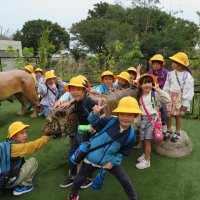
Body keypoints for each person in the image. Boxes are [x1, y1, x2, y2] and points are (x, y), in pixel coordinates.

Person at [67, 96, 142, 200]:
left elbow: (123, 153)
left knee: (125, 180)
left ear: (135, 117)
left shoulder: (131, 136)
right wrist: (94, 114)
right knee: (79, 178)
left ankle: (133, 197)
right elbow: (94, 123)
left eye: (130, 115)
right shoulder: (109, 121)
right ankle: (73, 194)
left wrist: (113, 162)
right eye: (122, 114)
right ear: (118, 114)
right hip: (91, 158)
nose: (125, 117)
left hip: (109, 161)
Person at [60, 76, 97, 189]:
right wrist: (70, 102)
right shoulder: (77, 100)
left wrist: (89, 128)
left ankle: (88, 178)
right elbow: (76, 100)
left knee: (85, 157)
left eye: (78, 89)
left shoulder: (89, 102)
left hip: (88, 133)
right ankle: (73, 176)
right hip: (80, 131)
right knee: (72, 154)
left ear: (84, 90)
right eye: (72, 89)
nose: (75, 92)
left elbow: (100, 117)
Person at [5, 121, 51, 195]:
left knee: (24, 161)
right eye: (22, 133)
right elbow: (34, 146)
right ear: (13, 136)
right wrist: (48, 137)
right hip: (8, 182)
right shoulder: (17, 148)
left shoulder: (7, 143)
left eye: (26, 132)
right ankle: (24, 186)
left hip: (4, 177)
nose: (25, 135)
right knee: (33, 161)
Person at [136, 74, 171, 169]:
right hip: (143, 120)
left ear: (152, 83)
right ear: (140, 85)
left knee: (147, 140)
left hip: (152, 120)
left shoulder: (155, 94)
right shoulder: (140, 96)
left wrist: (159, 91)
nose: (147, 84)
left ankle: (147, 160)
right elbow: (140, 110)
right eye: (144, 83)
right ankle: (146, 154)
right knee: (143, 139)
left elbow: (167, 100)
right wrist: (138, 122)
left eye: (149, 82)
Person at [163, 52, 194, 142]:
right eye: (173, 61)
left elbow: (189, 91)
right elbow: (167, 86)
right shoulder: (170, 74)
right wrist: (164, 96)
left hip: (179, 98)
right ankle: (168, 129)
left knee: (178, 116)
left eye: (175, 62)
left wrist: (185, 104)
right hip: (169, 97)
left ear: (182, 65)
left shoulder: (187, 76)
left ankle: (177, 132)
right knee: (168, 115)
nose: (173, 63)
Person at [148, 54, 169, 133]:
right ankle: (153, 123)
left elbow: (168, 81)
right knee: (153, 106)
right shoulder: (150, 72)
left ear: (161, 65)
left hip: (161, 91)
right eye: (154, 64)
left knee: (163, 107)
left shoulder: (165, 72)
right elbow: (146, 78)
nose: (155, 66)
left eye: (157, 64)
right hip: (152, 91)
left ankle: (164, 124)